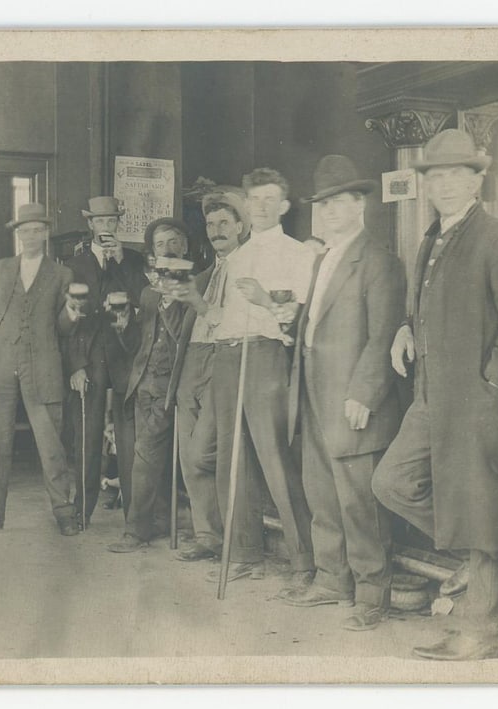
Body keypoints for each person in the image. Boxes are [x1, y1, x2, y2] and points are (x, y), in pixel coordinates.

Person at [370, 129, 498, 660]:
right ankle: (473, 561)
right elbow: (430, 306)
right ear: (426, 184)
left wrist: (492, 386)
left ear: (477, 179)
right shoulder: (430, 238)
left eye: (457, 174)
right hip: (433, 399)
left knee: (487, 510)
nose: (445, 184)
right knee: (391, 481)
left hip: (481, 403)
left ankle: (481, 634)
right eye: (436, 175)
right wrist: (406, 328)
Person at [276, 156, 406, 633]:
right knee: (322, 490)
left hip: (351, 396)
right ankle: (333, 579)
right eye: (323, 204)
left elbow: (383, 332)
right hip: (311, 389)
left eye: (339, 202)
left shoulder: (377, 260)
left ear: (361, 204)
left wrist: (364, 393)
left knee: (357, 498)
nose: (329, 212)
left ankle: (373, 592)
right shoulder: (323, 258)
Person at [205, 168, 319, 584]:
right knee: (232, 460)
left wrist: (266, 300)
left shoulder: (297, 254)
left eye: (270, 199)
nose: (261, 206)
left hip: (266, 355)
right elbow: (220, 315)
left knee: (274, 457)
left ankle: (305, 562)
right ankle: (246, 553)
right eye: (255, 199)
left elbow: (301, 319)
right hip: (228, 356)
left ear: (284, 205)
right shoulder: (235, 258)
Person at [0, 203, 82, 537]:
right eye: (24, 230)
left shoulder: (61, 274)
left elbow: (63, 328)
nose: (30, 236)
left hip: (42, 365)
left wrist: (73, 313)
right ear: (17, 235)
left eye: (37, 230)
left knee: (51, 444)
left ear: (45, 234)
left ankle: (64, 512)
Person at [167, 190, 250, 562]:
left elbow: (232, 321)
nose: (216, 231)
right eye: (211, 224)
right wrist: (170, 299)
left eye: (224, 224)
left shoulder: (249, 269)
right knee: (188, 455)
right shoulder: (202, 275)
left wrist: (198, 303)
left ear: (241, 227)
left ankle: (235, 536)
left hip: (223, 362)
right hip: (192, 364)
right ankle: (208, 536)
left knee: (204, 453)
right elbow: (178, 327)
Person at [106, 218, 192, 552]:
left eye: (173, 241)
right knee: (146, 454)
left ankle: (137, 530)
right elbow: (138, 344)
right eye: (160, 244)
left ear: (184, 247)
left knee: (148, 456)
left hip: (174, 384)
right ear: (152, 255)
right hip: (143, 384)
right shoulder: (147, 291)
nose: (168, 248)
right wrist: (124, 325)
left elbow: (181, 337)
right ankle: (149, 523)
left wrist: (171, 297)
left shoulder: (194, 286)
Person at [64, 196, 148, 525]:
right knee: (87, 435)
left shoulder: (133, 260)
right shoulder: (75, 265)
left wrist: (122, 261)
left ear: (118, 224)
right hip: (90, 359)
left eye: (112, 221)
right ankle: (82, 510)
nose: (106, 227)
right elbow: (70, 324)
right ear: (90, 226)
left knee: (129, 439)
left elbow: (143, 299)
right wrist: (76, 365)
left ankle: (135, 516)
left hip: (126, 357)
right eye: (100, 222)